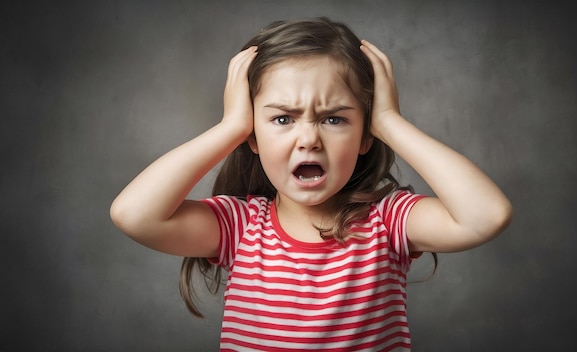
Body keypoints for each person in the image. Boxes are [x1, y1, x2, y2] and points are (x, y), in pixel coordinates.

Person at [110, 17, 512, 351]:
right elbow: (134, 215)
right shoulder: (240, 227)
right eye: (282, 119)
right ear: (253, 135)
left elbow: (486, 216)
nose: (309, 139)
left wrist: (390, 122)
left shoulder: (388, 223)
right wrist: (230, 127)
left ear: (365, 135)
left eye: (334, 119)